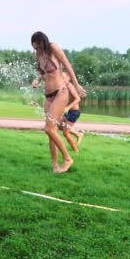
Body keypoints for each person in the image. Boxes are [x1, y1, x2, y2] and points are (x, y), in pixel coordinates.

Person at [30, 31, 86, 173]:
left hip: (60, 93)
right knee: (51, 132)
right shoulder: (39, 55)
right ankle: (55, 165)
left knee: (48, 128)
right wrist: (37, 80)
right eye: (35, 48)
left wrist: (76, 84)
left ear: (42, 41)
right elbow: (43, 74)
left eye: (37, 47)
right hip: (48, 97)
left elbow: (67, 65)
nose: (37, 50)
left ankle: (67, 159)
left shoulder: (53, 47)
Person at [59, 72, 84, 152]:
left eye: (63, 78)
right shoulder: (63, 86)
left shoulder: (70, 86)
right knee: (59, 124)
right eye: (61, 77)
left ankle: (76, 151)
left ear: (69, 78)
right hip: (69, 112)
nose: (62, 79)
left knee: (65, 133)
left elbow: (78, 99)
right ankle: (78, 134)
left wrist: (67, 107)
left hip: (74, 112)